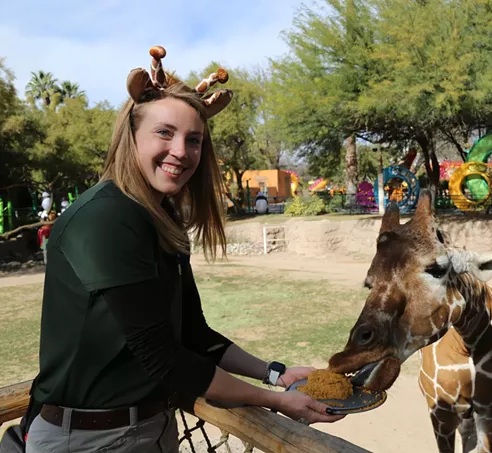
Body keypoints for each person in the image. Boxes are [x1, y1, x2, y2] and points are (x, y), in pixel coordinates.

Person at [23, 46, 343, 453]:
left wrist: (275, 373)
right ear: (131, 136)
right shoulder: (106, 218)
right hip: (88, 439)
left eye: (194, 140)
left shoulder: (160, 219)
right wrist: (277, 402)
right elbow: (162, 358)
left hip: (152, 428)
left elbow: (194, 335)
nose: (181, 151)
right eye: (164, 133)